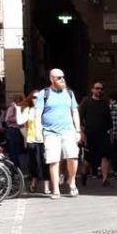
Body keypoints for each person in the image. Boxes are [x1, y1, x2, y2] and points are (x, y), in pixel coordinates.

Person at [35, 68, 82, 200]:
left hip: (68, 131)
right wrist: (39, 131)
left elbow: (75, 112)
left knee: (73, 157)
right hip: (50, 133)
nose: (62, 79)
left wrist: (78, 130)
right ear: (52, 79)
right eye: (59, 77)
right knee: (53, 160)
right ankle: (55, 189)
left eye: (63, 76)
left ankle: (71, 181)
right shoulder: (43, 94)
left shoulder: (69, 93)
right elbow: (38, 114)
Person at [78, 81, 113, 187]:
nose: (99, 90)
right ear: (92, 90)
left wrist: (110, 134)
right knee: (88, 159)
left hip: (103, 134)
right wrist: (82, 132)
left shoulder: (105, 103)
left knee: (105, 156)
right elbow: (79, 118)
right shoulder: (86, 102)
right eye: (97, 88)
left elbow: (109, 121)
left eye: (101, 89)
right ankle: (84, 174)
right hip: (89, 134)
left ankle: (105, 179)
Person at [18, 91, 46, 193]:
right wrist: (26, 138)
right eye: (34, 97)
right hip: (31, 139)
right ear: (30, 98)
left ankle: (46, 185)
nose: (36, 99)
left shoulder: (45, 110)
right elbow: (24, 125)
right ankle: (34, 182)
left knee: (44, 162)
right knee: (34, 163)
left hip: (44, 140)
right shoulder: (27, 110)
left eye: (39, 98)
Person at [3, 95, 25, 168]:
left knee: (17, 149)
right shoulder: (12, 108)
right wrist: (18, 119)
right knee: (13, 149)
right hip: (12, 130)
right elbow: (6, 120)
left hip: (18, 130)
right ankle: (14, 166)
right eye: (20, 101)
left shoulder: (19, 108)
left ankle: (17, 166)